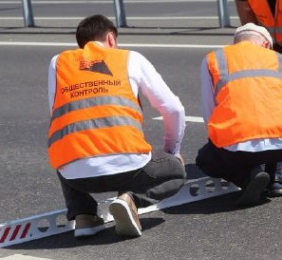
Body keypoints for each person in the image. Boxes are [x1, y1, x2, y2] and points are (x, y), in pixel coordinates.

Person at [47, 14, 186, 238]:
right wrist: (173, 152)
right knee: (176, 172)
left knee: (67, 146)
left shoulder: (58, 63)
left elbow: (56, 115)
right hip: (130, 167)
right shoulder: (130, 58)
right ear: (111, 39)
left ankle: (84, 216)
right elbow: (173, 109)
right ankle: (130, 198)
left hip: (77, 177)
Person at [196, 23, 282, 207]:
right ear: (266, 45)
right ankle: (275, 179)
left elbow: (209, 107)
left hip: (239, 148)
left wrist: (219, 143)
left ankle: (248, 177)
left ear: (236, 43)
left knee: (205, 159)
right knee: (278, 125)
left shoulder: (214, 59)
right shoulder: (281, 60)